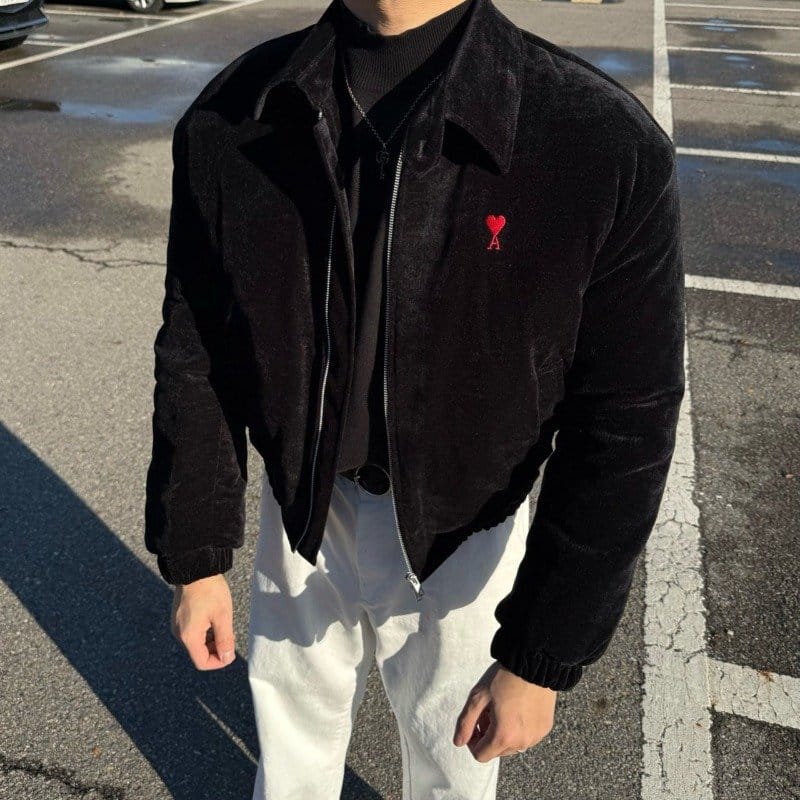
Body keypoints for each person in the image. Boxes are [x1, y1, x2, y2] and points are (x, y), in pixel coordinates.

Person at [144, 0, 686, 796]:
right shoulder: (237, 113)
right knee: (289, 755)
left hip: (468, 530)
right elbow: (197, 346)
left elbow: (628, 420)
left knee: (451, 770)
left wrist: (541, 654)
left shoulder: (595, 141)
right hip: (303, 507)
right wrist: (195, 560)